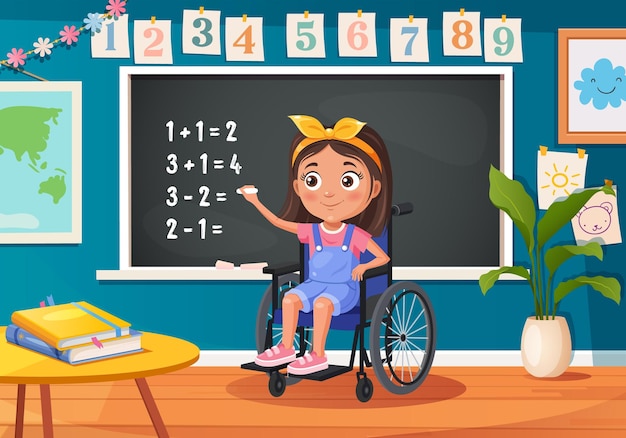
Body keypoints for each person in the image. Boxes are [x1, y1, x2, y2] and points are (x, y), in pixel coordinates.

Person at [239, 114, 393, 375]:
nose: (329, 194)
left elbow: (383, 259)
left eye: (347, 181)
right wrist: (255, 202)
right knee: (289, 298)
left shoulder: (353, 234)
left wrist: (364, 267)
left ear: (374, 189)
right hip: (314, 285)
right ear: (298, 187)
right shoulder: (312, 231)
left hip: (344, 290)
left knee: (322, 304)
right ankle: (286, 347)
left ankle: (317, 355)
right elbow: (278, 222)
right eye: (313, 181)